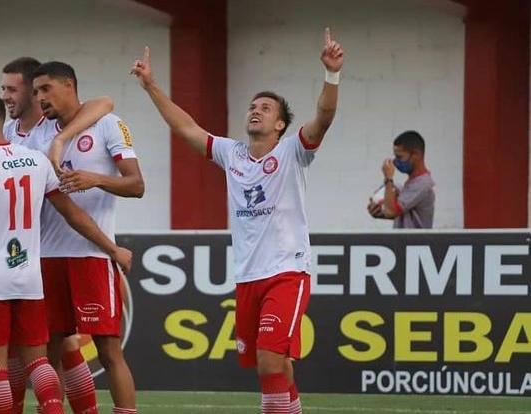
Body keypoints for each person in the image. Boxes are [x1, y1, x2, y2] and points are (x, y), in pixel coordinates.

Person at [131, 28, 344, 414]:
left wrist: (331, 74)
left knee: (268, 362)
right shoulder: (232, 154)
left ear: (280, 125)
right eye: (253, 105)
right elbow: (185, 127)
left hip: (287, 272)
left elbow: (324, 117)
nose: (256, 110)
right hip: (248, 277)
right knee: (278, 365)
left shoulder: (294, 150)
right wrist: (151, 86)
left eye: (266, 107)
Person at [0, 92, 132, 414]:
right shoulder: (36, 160)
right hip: (29, 281)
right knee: (39, 363)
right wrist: (112, 247)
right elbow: (71, 212)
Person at [1, 56, 114, 414]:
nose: (6, 96)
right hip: (26, 252)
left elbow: (105, 103)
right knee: (51, 346)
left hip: (58, 253)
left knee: (40, 346)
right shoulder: (10, 133)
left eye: (12, 89)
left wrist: (62, 139)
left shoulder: (54, 131)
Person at [34, 61, 144, 414]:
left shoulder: (108, 125)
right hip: (47, 257)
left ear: (69, 84)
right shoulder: (39, 134)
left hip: (91, 256)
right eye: (35, 92)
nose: (40, 98)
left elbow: (136, 184)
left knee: (109, 351)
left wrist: (96, 179)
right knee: (48, 352)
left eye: (46, 89)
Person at [367, 130, 435, 228]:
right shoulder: (409, 185)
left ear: (416, 155)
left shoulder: (423, 184)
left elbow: (391, 211)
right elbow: (399, 215)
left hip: (415, 243)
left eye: (400, 157)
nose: (395, 161)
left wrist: (388, 178)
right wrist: (378, 211)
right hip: (403, 242)